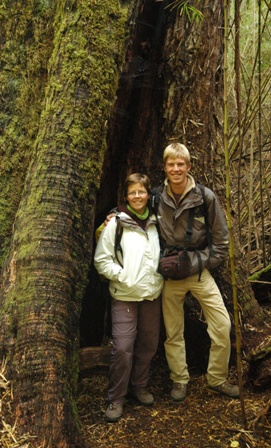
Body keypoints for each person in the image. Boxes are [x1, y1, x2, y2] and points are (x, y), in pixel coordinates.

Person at [156, 142, 239, 401]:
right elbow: (135, 213)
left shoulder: (205, 197)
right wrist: (114, 216)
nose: (176, 168)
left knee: (222, 324)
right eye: (171, 164)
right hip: (170, 275)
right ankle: (179, 380)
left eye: (181, 164)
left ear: (189, 167)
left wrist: (204, 263)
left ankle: (217, 378)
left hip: (200, 273)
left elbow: (221, 240)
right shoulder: (157, 197)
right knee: (173, 331)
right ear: (165, 167)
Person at [94, 173, 164, 422]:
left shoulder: (157, 222)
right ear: (126, 196)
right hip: (124, 294)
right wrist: (122, 276)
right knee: (123, 348)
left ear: (148, 194)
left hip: (151, 294)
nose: (137, 196)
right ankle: (116, 398)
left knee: (148, 345)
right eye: (132, 192)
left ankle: (139, 387)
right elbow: (102, 260)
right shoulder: (116, 224)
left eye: (141, 191)